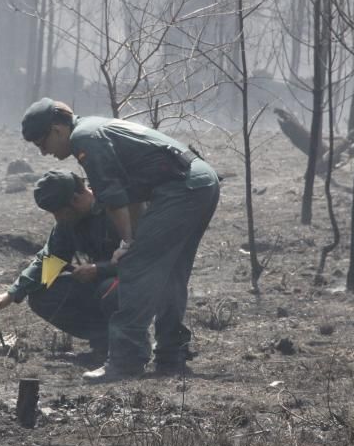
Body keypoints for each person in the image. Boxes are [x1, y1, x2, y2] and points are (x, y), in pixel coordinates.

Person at [20, 97, 219, 382]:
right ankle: (171, 355)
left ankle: (126, 361)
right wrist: (133, 239)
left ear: (57, 130)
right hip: (199, 181)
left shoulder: (83, 138)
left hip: (181, 189)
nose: (43, 152)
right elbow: (132, 196)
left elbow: (113, 198)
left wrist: (127, 246)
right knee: (171, 273)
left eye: (42, 143)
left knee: (137, 268)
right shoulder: (94, 128)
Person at [0, 170, 121, 364]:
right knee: (43, 293)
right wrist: (12, 294)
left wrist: (99, 269)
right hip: (101, 281)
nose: (58, 219)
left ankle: (123, 349)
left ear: (76, 199)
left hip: (135, 281)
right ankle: (103, 343)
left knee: (108, 289)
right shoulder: (69, 220)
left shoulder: (116, 206)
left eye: (60, 212)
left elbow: (144, 257)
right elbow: (49, 259)